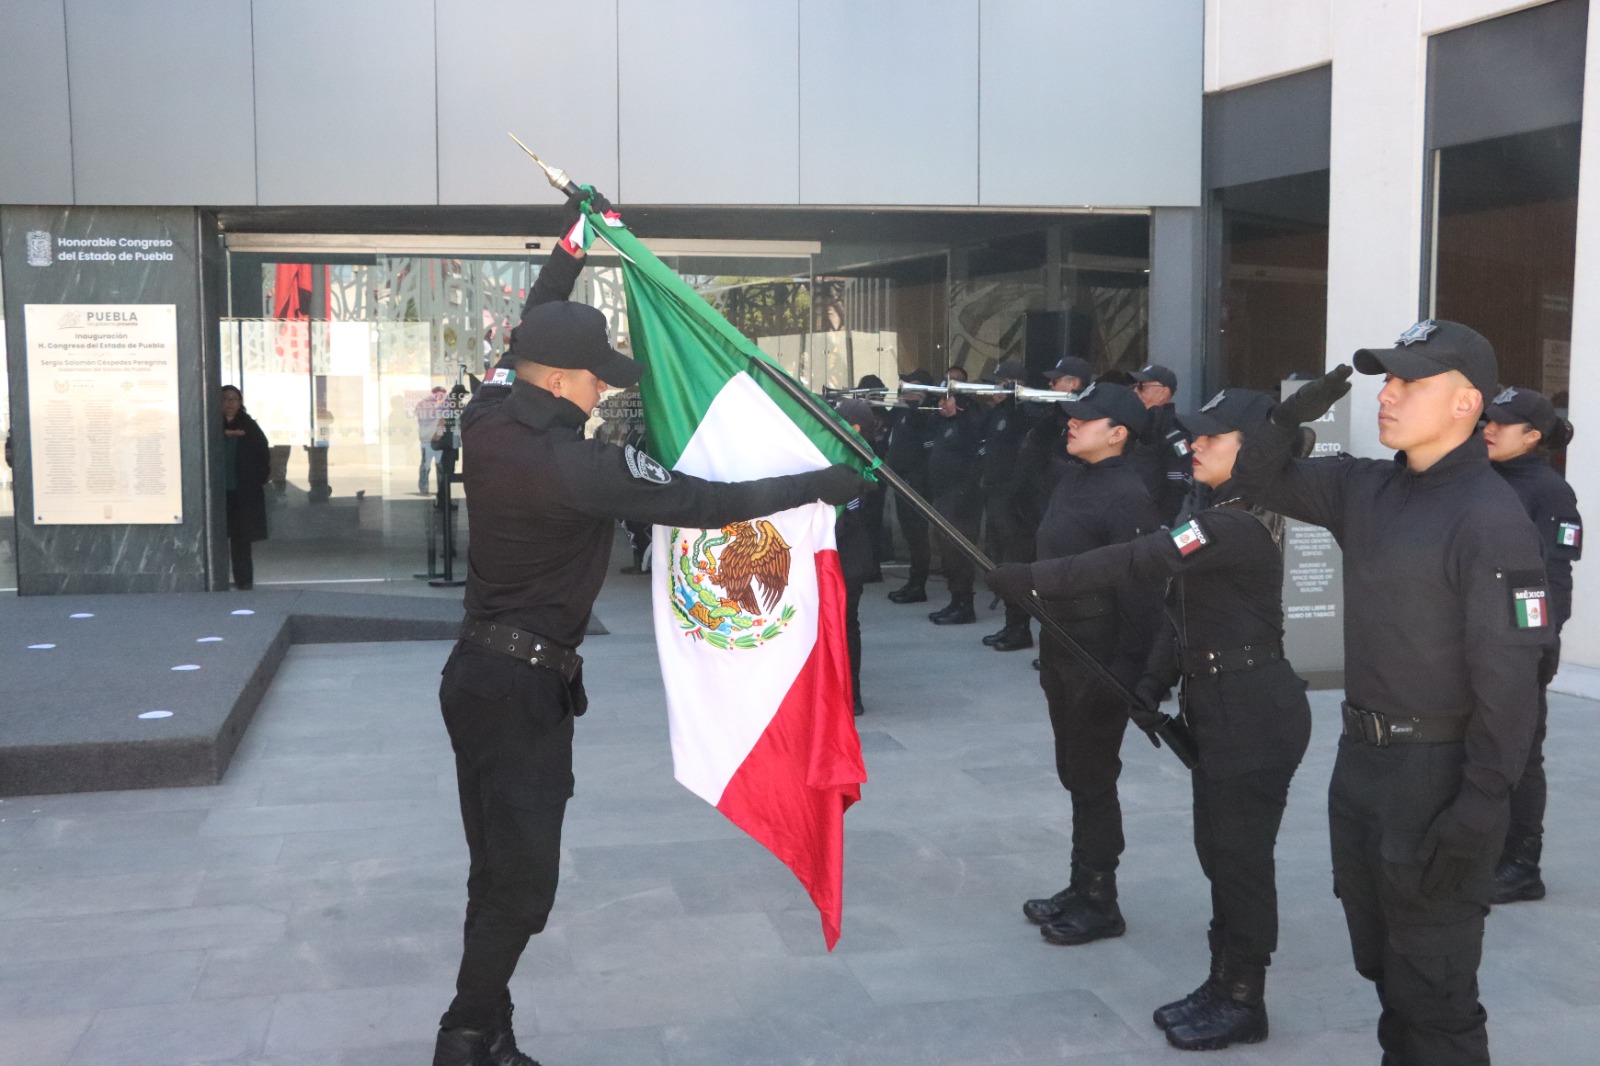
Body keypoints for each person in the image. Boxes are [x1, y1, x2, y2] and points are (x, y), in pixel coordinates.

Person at [432, 194, 866, 1066]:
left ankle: (489, 1028)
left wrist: (573, 244)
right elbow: (705, 502)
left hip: (476, 678)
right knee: (524, 887)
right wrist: (820, 483)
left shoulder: (487, 420)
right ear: (559, 380)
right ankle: (466, 1036)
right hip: (521, 692)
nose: (604, 387)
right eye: (596, 376)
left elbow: (529, 327)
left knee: (495, 869)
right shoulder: (577, 465)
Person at [1234, 320, 1549, 1066]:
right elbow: (1257, 480)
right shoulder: (1368, 488)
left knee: (1436, 993)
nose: (1388, 394)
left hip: (1436, 775)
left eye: (1411, 381)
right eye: (1388, 379)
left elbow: (1512, 683)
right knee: (1386, 970)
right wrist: (1283, 419)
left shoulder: (1491, 518)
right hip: (1364, 767)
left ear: (1467, 403)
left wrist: (1482, 804)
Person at [994, 387, 1312, 1050]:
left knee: (1239, 860)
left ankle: (1242, 997)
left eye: (1212, 437)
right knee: (1219, 852)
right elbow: (1180, 610)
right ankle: (1223, 983)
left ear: (1253, 452)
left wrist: (1033, 579)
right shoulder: (1216, 512)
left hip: (1253, 708)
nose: (1193, 445)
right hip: (1221, 700)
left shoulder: (1232, 524)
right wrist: (1152, 680)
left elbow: (1138, 561)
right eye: (1196, 434)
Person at [987, 381, 1162, 947]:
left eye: (1086, 419)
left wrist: (1132, 672)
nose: (1072, 424)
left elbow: (1142, 588)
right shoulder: (1073, 478)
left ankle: (1101, 899)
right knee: (1074, 769)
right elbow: (1025, 477)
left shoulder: (1128, 494)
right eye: (1072, 417)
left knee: (1092, 773)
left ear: (1118, 434)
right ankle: (1081, 883)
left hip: (1100, 650)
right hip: (1060, 642)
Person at [1481, 386, 1582, 904]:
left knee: (1520, 755)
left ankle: (1522, 866)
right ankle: (1485, 852)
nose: (1489, 429)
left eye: (1502, 423)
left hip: (1520, 648)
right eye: (1488, 420)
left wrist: (1530, 645)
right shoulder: (1479, 477)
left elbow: (1551, 579)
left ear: (1532, 436)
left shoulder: (1549, 490)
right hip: (1473, 643)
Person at [978, 359, 1039, 651]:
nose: (996, 389)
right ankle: (1011, 624)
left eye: (1002, 384)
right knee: (1000, 562)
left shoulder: (1025, 413)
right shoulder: (996, 414)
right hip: (995, 496)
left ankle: (1020, 629)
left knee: (1016, 565)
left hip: (1015, 502)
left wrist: (1018, 397)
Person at [834, 398, 884, 714]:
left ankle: (851, 694)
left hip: (847, 553)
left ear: (853, 427)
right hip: (838, 552)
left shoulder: (860, 458)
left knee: (846, 624)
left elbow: (851, 510)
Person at [925, 382, 988, 624]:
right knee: (946, 551)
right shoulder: (943, 423)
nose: (941, 404)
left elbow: (977, 446)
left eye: (947, 399)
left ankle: (965, 605)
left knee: (958, 551)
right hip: (943, 494)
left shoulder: (968, 423)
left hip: (962, 497)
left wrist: (964, 406)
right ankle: (955, 599)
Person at [885, 368, 937, 604]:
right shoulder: (901, 411)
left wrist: (917, 404)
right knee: (908, 533)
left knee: (917, 536)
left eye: (913, 386)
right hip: (900, 479)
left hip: (916, 482)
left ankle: (918, 585)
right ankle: (912, 582)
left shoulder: (926, 413)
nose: (907, 391)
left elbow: (922, 439)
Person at [1128, 363, 1194, 523]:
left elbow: (1177, 484)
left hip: (1147, 521)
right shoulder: (1128, 422)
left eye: (1142, 386)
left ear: (1164, 392)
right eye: (1135, 386)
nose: (1136, 391)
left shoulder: (1175, 431)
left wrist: (1160, 523)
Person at [220, 385, 270, 590]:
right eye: (225, 399)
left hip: (242, 493)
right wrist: (223, 434)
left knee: (241, 538)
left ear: (240, 403)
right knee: (216, 537)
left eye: (234, 399)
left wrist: (257, 480)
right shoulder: (210, 426)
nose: (230, 403)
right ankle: (215, 580)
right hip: (217, 493)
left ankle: (244, 580)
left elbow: (263, 456)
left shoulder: (249, 427)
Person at [418, 386, 448, 494]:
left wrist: (439, 435)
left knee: (439, 466)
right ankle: (424, 489)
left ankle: (441, 490)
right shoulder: (424, 405)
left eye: (442, 395)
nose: (440, 397)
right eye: (438, 394)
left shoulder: (443, 406)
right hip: (427, 441)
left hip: (437, 442)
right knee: (426, 465)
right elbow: (425, 419)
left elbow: (442, 422)